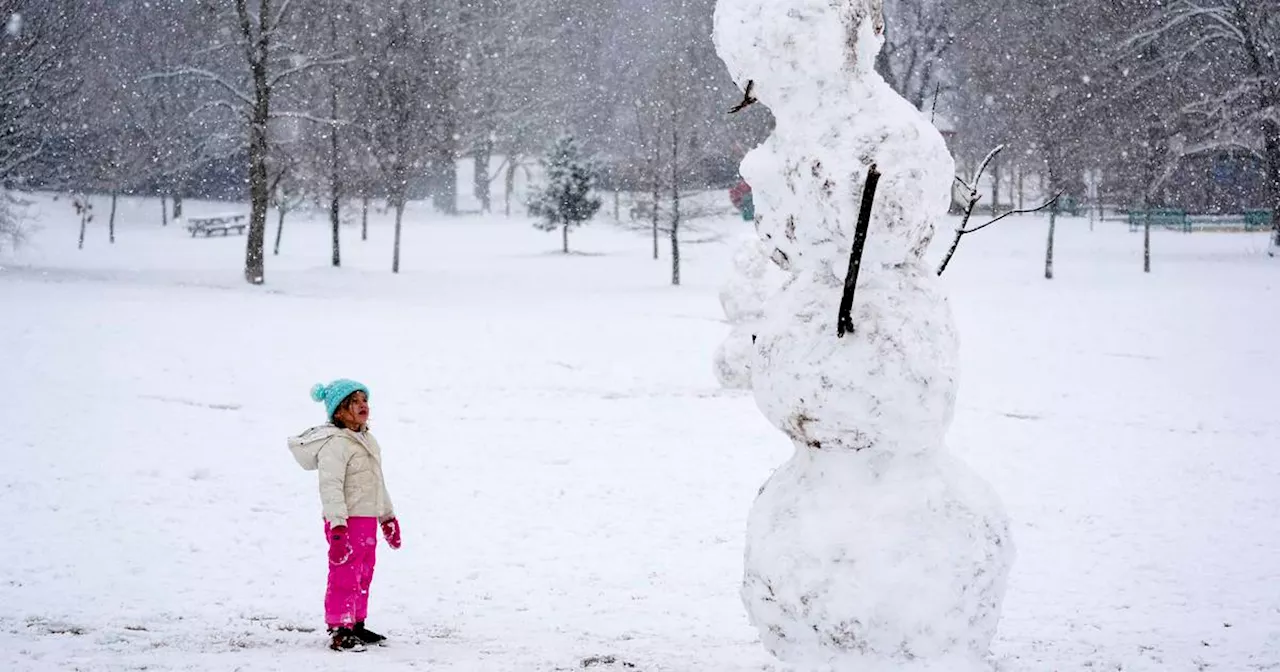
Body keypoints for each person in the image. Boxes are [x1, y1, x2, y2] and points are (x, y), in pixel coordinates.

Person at [287, 379, 402, 652]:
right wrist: (337, 527)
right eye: (355, 401)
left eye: (365, 400)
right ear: (339, 411)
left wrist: (387, 517)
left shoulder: (367, 440)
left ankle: (356, 623)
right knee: (345, 574)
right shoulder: (335, 444)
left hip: (367, 519)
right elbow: (331, 487)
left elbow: (377, 482)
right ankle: (340, 628)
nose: (363, 405)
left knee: (363, 572)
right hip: (345, 521)